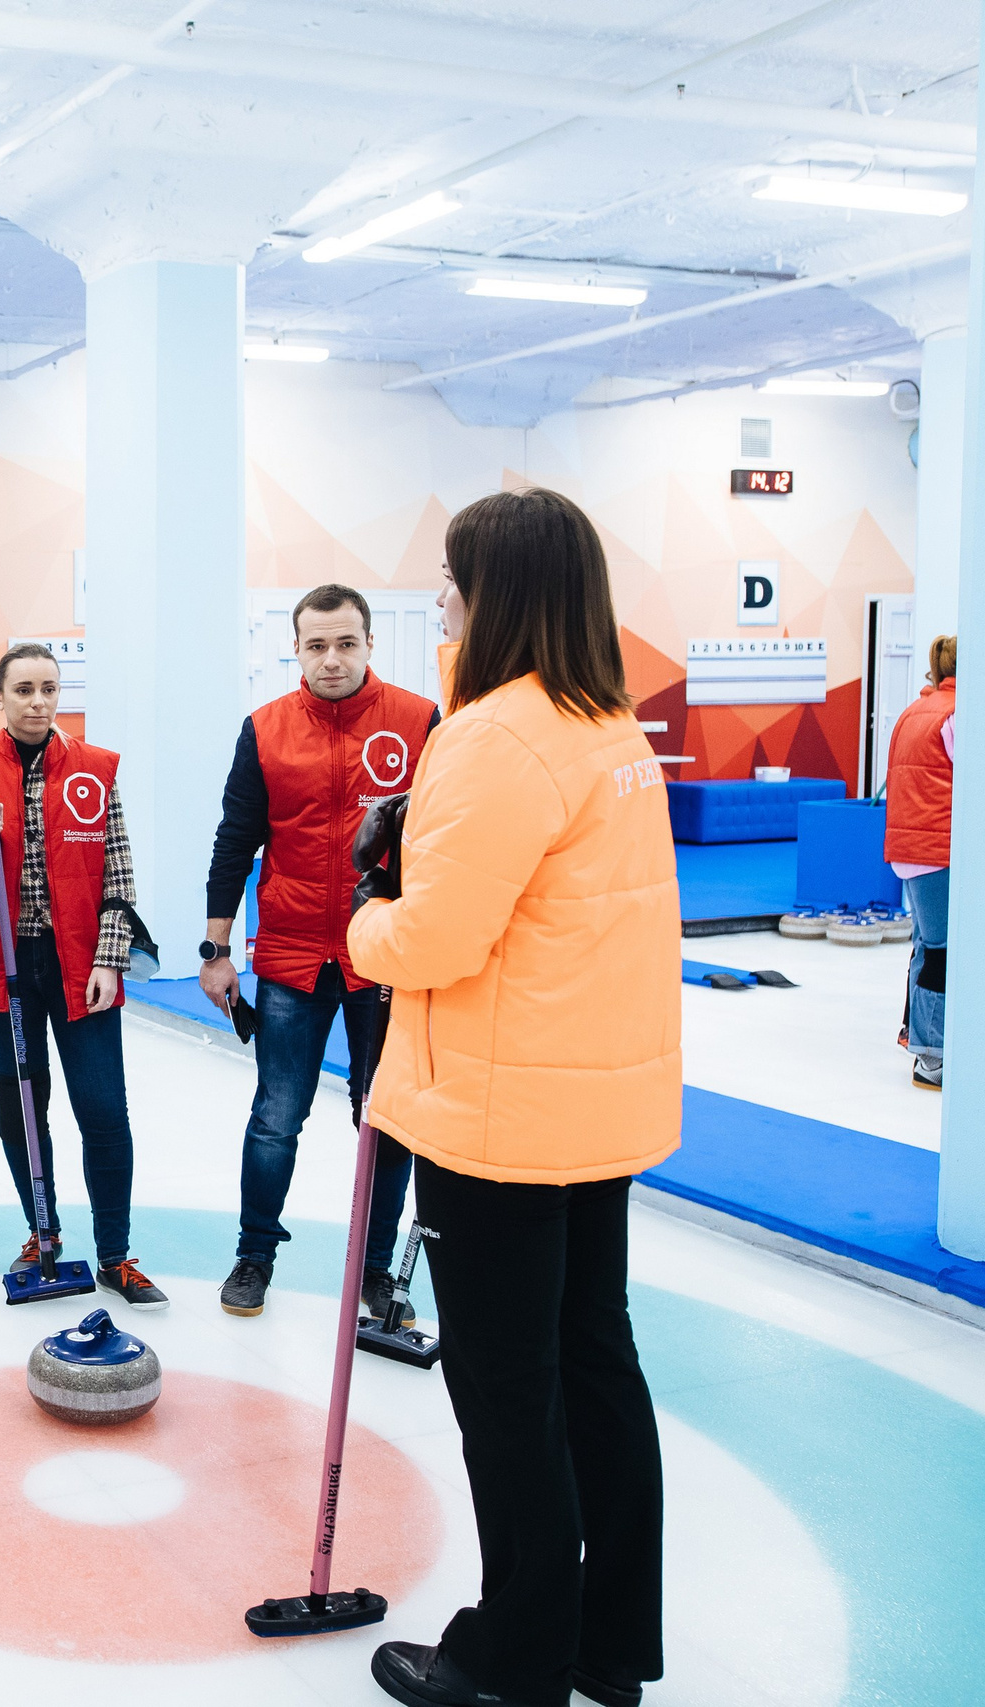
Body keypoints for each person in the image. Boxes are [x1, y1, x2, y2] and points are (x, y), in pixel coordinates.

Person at [348, 488, 675, 1707]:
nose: (437, 596)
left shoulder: (495, 735)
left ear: (500, 595)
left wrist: (365, 910)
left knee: (503, 1385)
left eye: (451, 576)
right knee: (594, 1364)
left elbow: (432, 939)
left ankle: (519, 1651)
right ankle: (609, 1643)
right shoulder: (609, 730)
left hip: (499, 1120)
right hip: (588, 1111)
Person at [199, 586, 439, 1321]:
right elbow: (235, 840)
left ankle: (373, 1269)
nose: (331, 658)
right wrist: (215, 947)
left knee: (386, 1119)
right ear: (296, 649)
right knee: (276, 1114)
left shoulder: (419, 721)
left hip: (384, 956)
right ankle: (254, 1256)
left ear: (370, 644)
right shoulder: (265, 729)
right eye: (316, 645)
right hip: (293, 953)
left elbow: (439, 839)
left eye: (345, 643)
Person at [0, 643, 167, 1308]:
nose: (38, 701)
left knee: (102, 1110)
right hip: (5, 965)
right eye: (24, 689)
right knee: (22, 1107)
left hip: (81, 963)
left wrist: (109, 958)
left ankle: (116, 1254)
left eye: (48, 689)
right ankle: (43, 1229)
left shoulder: (95, 769)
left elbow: (119, 874)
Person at [883, 634, 956, 1093]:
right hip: (936, 850)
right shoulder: (955, 714)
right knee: (941, 952)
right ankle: (931, 1058)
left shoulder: (915, 710)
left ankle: (921, 1038)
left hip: (908, 850)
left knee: (926, 946)